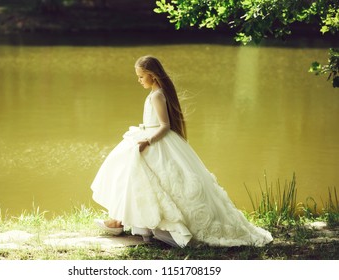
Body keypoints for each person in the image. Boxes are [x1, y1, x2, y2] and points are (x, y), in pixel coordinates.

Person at [91, 55, 273, 247]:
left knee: (151, 180)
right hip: (147, 136)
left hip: (157, 141)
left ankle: (120, 222)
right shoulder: (153, 94)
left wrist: (148, 141)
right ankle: (120, 220)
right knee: (131, 175)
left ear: (152, 76)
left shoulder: (158, 95)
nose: (139, 80)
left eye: (141, 76)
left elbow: (165, 125)